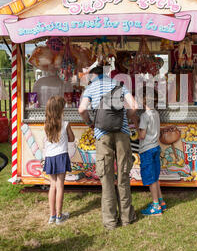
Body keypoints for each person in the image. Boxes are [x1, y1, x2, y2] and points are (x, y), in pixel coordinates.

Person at [78, 65, 139, 230]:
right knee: (123, 175)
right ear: (106, 74)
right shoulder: (118, 85)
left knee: (106, 178)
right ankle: (127, 218)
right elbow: (134, 106)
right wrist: (126, 118)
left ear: (93, 76)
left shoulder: (91, 88)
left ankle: (110, 221)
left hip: (102, 134)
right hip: (122, 133)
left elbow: (82, 109)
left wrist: (90, 123)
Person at [43, 96, 75, 225]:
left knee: (52, 185)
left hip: (50, 157)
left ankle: (52, 215)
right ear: (60, 110)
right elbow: (72, 139)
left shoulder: (46, 124)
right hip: (61, 155)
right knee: (60, 185)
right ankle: (59, 216)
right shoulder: (65, 123)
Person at [139, 87, 166, 216]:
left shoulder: (144, 116)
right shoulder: (156, 113)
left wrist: (136, 128)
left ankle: (155, 206)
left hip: (147, 149)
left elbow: (142, 135)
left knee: (150, 179)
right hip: (155, 147)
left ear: (143, 101)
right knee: (155, 177)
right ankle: (161, 201)